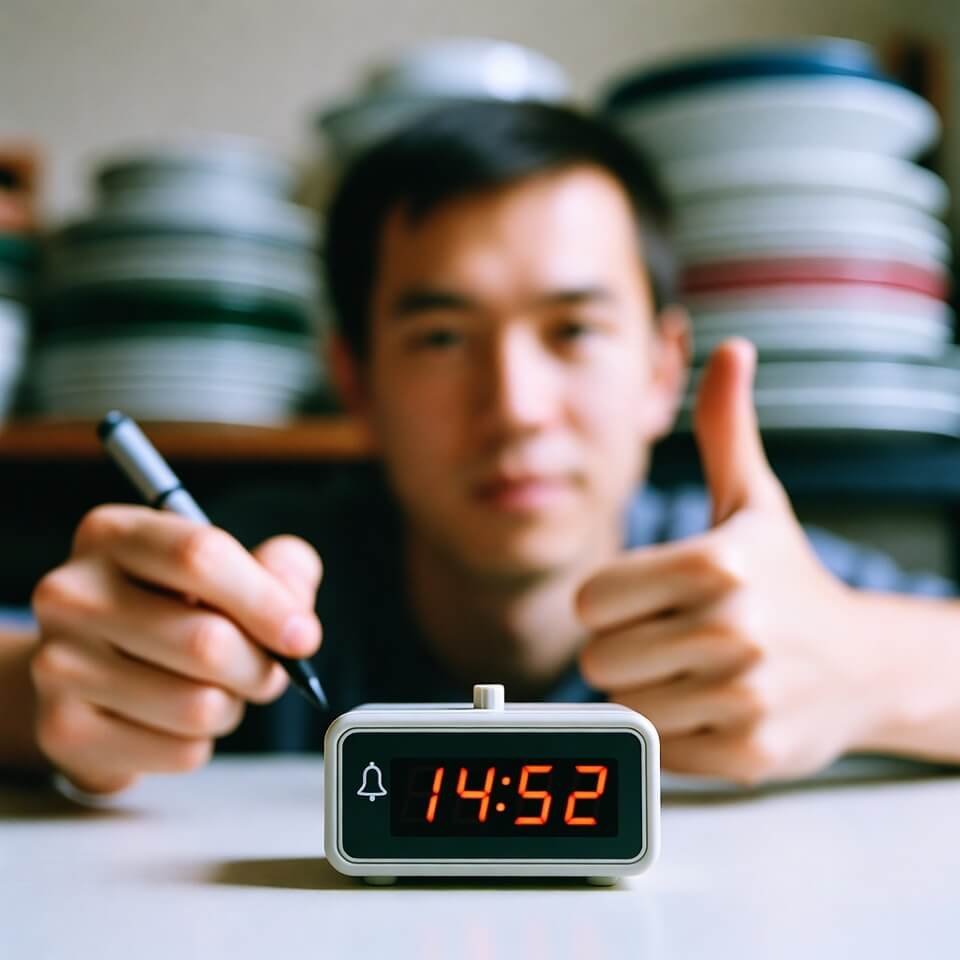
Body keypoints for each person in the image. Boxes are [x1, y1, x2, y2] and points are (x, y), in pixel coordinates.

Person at [1, 101, 958, 795]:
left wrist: (866, 668)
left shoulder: (764, 592)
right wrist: (53, 693)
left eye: (573, 331)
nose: (516, 408)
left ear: (665, 369)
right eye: (443, 338)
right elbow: (42, 664)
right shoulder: (246, 587)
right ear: (358, 381)